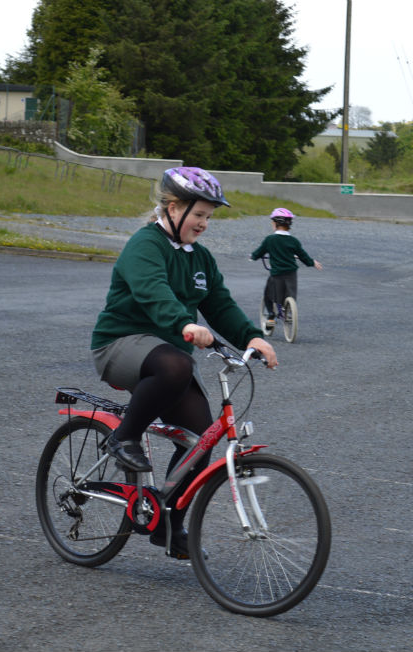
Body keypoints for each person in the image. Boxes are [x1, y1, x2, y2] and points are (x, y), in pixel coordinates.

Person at [90, 166, 277, 559]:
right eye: (199, 215)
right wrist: (185, 324)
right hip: (120, 344)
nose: (204, 224)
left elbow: (219, 304)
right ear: (173, 208)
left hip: (166, 353)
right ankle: (123, 437)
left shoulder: (200, 259)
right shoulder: (145, 245)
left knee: (200, 438)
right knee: (178, 364)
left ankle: (169, 523)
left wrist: (251, 336)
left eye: (209, 217)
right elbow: (152, 291)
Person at [250, 208, 323, 327]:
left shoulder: (270, 240)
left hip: (276, 274)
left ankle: (271, 317)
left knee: (268, 295)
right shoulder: (294, 241)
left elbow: (260, 251)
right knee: (290, 294)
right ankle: (288, 311)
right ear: (289, 224)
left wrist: (253, 256)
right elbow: (302, 255)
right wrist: (312, 262)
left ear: (275, 223)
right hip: (291, 274)